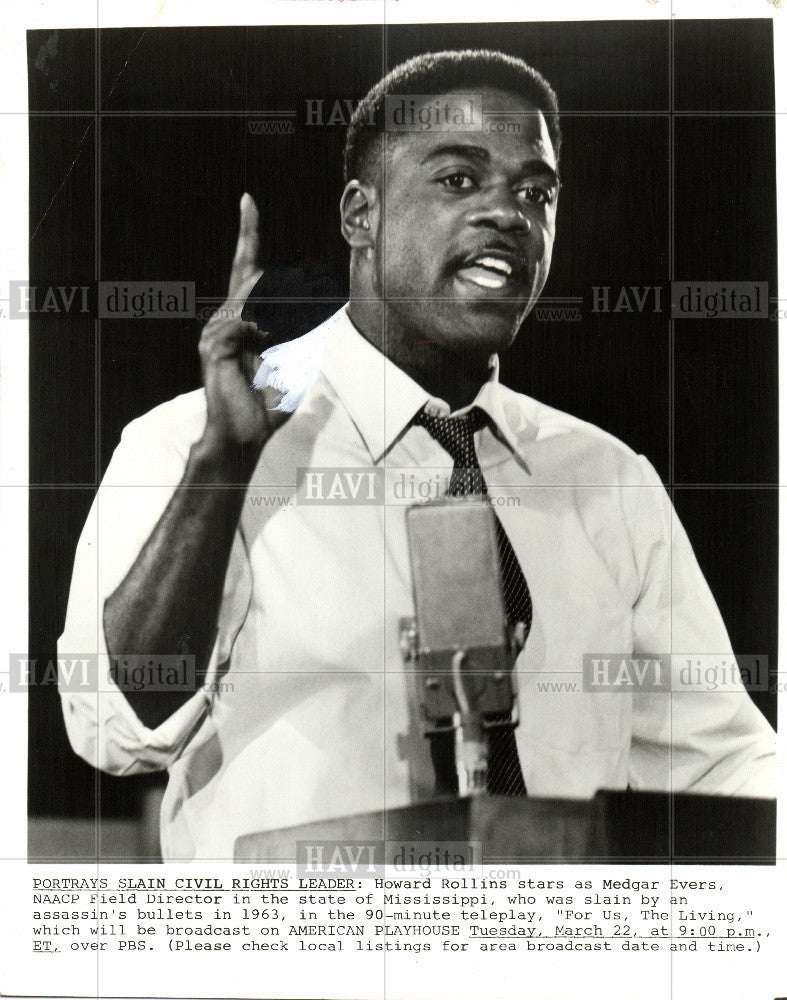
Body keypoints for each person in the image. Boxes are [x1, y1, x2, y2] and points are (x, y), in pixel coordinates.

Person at [59, 49, 775, 862]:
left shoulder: (606, 476)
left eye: (535, 192)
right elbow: (115, 729)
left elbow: (720, 761)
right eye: (459, 180)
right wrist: (219, 468)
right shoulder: (193, 443)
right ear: (360, 216)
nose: (509, 213)